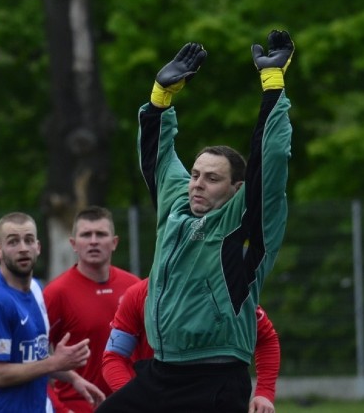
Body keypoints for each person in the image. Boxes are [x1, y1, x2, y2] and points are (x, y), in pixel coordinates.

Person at [94, 31, 295, 413]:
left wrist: (272, 87)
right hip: (162, 373)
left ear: (237, 189)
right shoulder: (178, 207)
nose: (197, 184)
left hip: (215, 378)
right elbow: (158, 158)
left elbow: (271, 162)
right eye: (196, 174)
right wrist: (159, 99)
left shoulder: (245, 224)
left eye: (211, 178)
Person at [0, 212, 105, 412]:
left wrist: (73, 378)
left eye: (29, 240)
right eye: (13, 242)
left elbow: (36, 358)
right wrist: (55, 363)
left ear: (38, 247)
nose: (23, 248)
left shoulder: (36, 287)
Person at [101, 278, 280, 413]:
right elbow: (114, 356)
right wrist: (138, 397)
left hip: (212, 395)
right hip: (158, 394)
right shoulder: (140, 293)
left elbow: (266, 338)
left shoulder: (226, 292)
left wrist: (264, 392)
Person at [43, 206, 141, 412]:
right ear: (73, 244)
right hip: (77, 407)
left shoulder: (134, 287)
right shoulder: (56, 293)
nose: (94, 241)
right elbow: (35, 357)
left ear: (114, 242)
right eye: (86, 234)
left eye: (101, 234)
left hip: (128, 404)